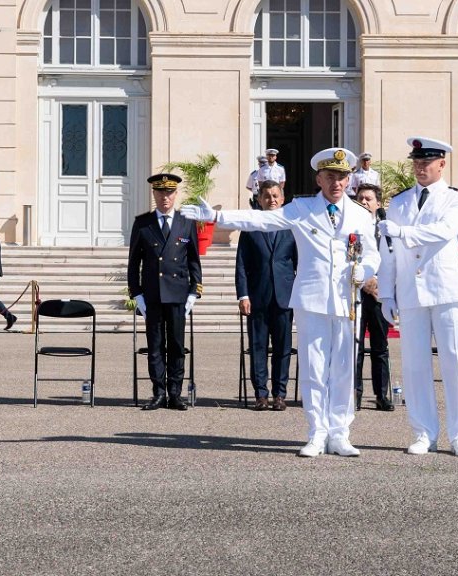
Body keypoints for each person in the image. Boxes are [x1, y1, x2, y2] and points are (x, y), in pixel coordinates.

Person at [182, 148, 379, 457]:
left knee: (343, 369)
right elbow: (261, 220)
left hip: (347, 300)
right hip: (312, 298)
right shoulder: (302, 208)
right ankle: (317, 433)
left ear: (350, 179)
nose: (336, 183)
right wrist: (218, 217)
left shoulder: (360, 214)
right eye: (330, 177)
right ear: (319, 179)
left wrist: (365, 272)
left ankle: (340, 432)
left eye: (342, 177)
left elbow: (372, 254)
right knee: (314, 369)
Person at [377, 136, 458, 458]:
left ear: (441, 164)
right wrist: (387, 294)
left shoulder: (457, 199)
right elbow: (388, 253)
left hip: (445, 290)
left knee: (454, 363)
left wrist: (403, 232)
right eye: (416, 162)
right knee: (415, 366)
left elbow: (445, 231)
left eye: (426, 162)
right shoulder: (400, 202)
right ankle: (423, 432)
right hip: (410, 292)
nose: (420, 168)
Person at [128, 173, 202, 411]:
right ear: (154, 194)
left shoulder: (185, 222)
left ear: (175, 194)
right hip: (153, 295)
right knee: (156, 345)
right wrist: (137, 295)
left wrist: (193, 292)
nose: (165, 197)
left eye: (169, 192)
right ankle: (158, 392)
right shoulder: (143, 223)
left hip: (178, 294)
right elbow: (133, 263)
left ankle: (175, 393)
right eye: (160, 193)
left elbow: (194, 261)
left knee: (177, 346)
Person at [235, 180, 297, 411]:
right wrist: (243, 295)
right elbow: (241, 264)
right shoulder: (251, 226)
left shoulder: (291, 226)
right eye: (267, 196)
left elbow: (299, 263)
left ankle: (280, 394)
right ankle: (260, 394)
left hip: (284, 297)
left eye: (275, 196)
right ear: (259, 200)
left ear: (282, 199)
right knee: (258, 347)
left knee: (283, 348)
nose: (271, 200)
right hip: (258, 296)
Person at [352, 183, 393, 412]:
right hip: (357, 291)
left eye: (368, 198)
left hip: (380, 294)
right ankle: (355, 393)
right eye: (360, 198)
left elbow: (393, 259)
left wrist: (378, 281)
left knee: (380, 346)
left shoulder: (386, 230)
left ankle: (381, 394)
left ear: (378, 203)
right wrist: (364, 280)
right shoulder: (351, 226)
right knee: (355, 346)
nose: (364, 202)